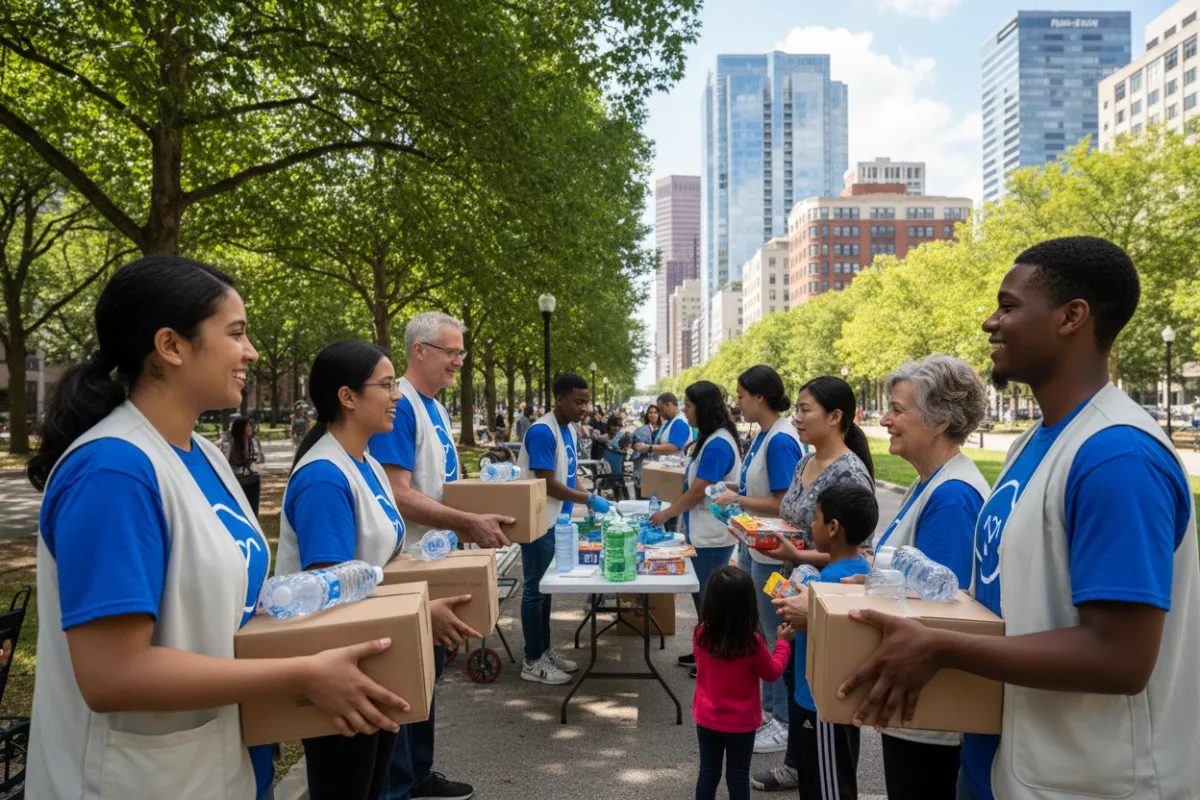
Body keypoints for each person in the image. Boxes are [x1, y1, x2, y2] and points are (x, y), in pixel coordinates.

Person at [25, 256, 408, 800]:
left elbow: (235, 607)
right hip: (138, 780)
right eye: (236, 334)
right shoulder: (114, 471)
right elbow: (113, 675)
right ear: (171, 346)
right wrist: (301, 674)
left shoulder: (203, 455)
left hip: (224, 764)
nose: (250, 352)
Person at [836, 237, 1200, 800]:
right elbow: (1006, 595)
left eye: (1008, 306)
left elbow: (1121, 657)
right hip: (1003, 764)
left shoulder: (1117, 457)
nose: (989, 322)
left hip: (1090, 783)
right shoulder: (1031, 445)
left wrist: (941, 646)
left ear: (1071, 317)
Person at [276, 341, 455, 800]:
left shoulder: (368, 463)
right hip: (343, 673)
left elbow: (376, 567)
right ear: (347, 397)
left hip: (378, 658)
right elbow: (331, 594)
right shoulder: (323, 478)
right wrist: (418, 614)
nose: (397, 395)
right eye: (386, 384)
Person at [836, 355, 990, 800]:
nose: (884, 419)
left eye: (898, 409)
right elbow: (913, 580)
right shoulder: (931, 482)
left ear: (940, 420)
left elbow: (942, 610)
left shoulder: (953, 496)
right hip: (914, 706)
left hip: (930, 716)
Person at [371, 311, 510, 800]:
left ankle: (418, 775)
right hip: (406, 563)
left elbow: (439, 486)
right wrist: (468, 522)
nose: (459, 361)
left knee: (428, 675)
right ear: (419, 351)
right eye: (450, 352)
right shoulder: (401, 406)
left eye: (461, 352)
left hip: (434, 560)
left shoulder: (433, 407)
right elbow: (397, 490)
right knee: (408, 680)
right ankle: (400, 784)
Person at [748, 375, 875, 793]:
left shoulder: (850, 472)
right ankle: (797, 764)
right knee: (791, 675)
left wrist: (799, 556)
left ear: (835, 417)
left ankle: (810, 768)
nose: (797, 417)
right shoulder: (806, 460)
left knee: (816, 692)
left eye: (805, 410)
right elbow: (794, 520)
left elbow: (859, 552)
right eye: (797, 408)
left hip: (826, 600)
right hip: (792, 588)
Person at [710, 366, 804, 756]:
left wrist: (738, 500)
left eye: (742, 396)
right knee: (759, 632)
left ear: (760, 397)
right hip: (754, 546)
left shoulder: (781, 440)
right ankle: (768, 711)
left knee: (771, 634)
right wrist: (734, 491)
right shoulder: (765, 435)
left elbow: (783, 500)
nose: (738, 403)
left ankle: (782, 720)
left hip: (770, 551)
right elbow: (757, 488)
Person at [772, 483, 877, 800]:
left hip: (820, 701)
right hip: (826, 695)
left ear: (833, 528)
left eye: (815, 519)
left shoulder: (832, 582)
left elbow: (831, 636)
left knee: (828, 784)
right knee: (822, 776)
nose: (811, 526)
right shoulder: (857, 569)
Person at [516, 374, 612, 683]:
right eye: (578, 401)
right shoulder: (543, 431)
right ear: (559, 399)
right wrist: (589, 499)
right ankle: (532, 660)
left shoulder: (567, 429)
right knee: (535, 589)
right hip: (539, 522)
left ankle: (543, 650)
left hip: (559, 521)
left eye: (586, 401)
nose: (584, 407)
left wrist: (587, 501)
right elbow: (547, 483)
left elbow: (569, 475)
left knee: (547, 589)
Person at [648, 380, 743, 678]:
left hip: (712, 535)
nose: (684, 412)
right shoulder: (710, 438)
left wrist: (666, 514)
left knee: (710, 599)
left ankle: (714, 656)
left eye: (688, 406)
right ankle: (706, 647)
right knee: (701, 595)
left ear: (702, 407)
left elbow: (697, 491)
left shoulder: (716, 444)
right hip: (702, 530)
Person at [693, 565, 794, 800]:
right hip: (741, 722)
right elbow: (772, 673)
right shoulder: (752, 642)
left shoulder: (701, 634)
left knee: (708, 773)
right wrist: (782, 644)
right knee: (738, 776)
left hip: (707, 717)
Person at [220, 416, 266, 514]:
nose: (250, 428)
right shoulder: (229, 442)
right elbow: (223, 460)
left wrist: (251, 463)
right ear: (240, 429)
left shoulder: (253, 441)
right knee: (236, 508)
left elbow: (261, 459)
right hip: (233, 479)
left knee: (252, 509)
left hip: (251, 479)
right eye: (247, 426)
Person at [634, 391, 693, 458]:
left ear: (668, 405)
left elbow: (672, 448)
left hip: (673, 466)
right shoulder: (670, 421)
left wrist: (647, 448)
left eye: (660, 410)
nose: (660, 413)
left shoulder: (680, 422)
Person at [631, 404, 662, 497]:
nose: (653, 415)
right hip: (643, 467)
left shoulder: (663, 429)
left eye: (655, 412)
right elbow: (636, 448)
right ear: (647, 415)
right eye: (650, 413)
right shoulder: (640, 431)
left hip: (659, 466)